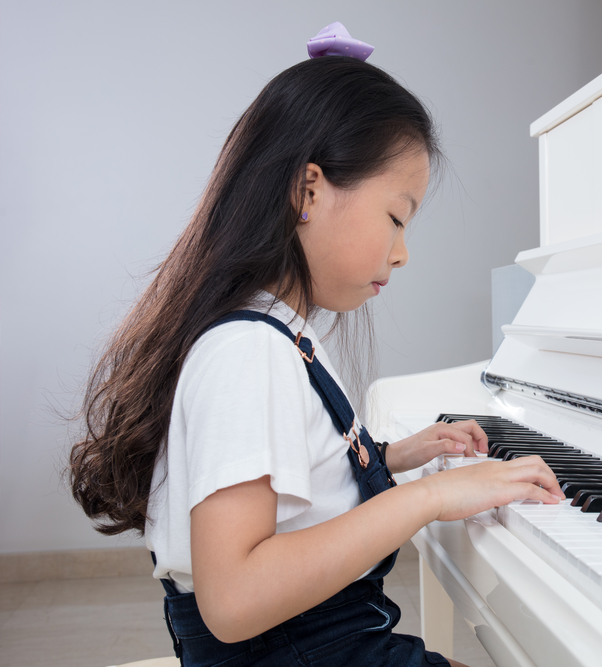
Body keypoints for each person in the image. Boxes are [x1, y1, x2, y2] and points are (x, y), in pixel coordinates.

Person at [68, 22, 563, 667]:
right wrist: (430, 497)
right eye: (396, 217)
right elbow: (234, 598)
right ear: (308, 191)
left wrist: (395, 456)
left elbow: (293, 488)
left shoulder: (279, 336)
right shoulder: (248, 352)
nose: (403, 252)